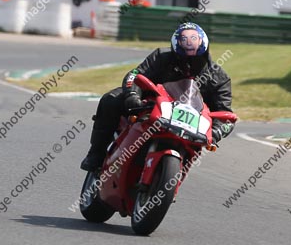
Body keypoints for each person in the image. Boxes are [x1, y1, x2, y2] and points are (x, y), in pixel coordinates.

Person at [80, 22, 235, 171]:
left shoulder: (219, 78)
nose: (189, 65)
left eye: (195, 60)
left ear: (205, 54)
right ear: (175, 53)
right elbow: (135, 75)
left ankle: (168, 179)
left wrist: (216, 132)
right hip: (151, 107)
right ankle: (96, 153)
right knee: (111, 99)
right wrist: (133, 95)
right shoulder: (161, 56)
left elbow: (225, 116)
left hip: (190, 127)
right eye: (183, 59)